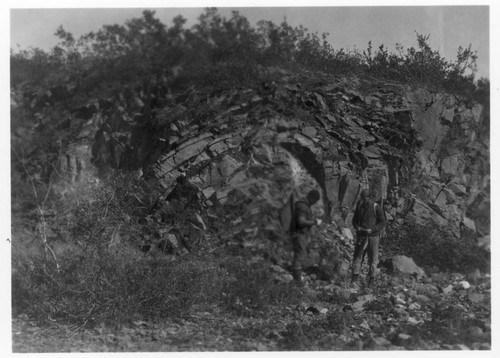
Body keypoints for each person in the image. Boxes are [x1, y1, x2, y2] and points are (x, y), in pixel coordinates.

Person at [351, 188, 386, 287]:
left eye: (365, 198)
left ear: (369, 197)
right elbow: (354, 221)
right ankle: (354, 279)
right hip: (361, 236)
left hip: (373, 237)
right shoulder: (360, 206)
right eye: (362, 198)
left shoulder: (376, 207)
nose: (363, 200)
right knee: (357, 257)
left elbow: (383, 222)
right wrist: (357, 227)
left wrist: (373, 229)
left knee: (373, 259)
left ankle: (371, 281)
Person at [291, 189, 322, 285]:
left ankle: (296, 275)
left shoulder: (303, 205)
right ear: (311, 197)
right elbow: (301, 221)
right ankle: (297, 280)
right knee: (300, 254)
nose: (315, 202)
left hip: (301, 233)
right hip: (299, 233)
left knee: (300, 253)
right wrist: (315, 222)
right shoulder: (303, 206)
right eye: (315, 200)